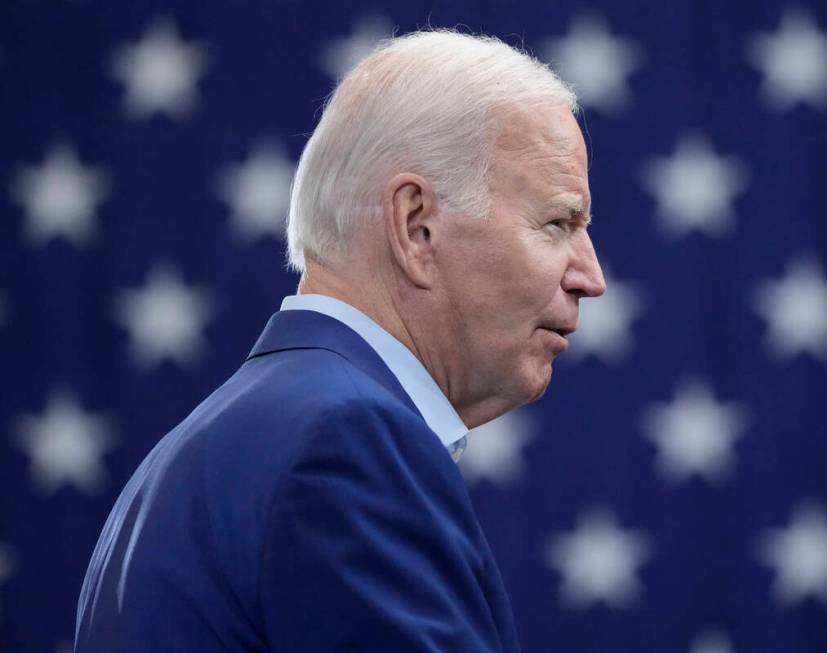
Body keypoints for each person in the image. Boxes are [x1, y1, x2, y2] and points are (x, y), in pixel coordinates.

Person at [75, 29, 605, 652]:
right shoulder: (346, 442)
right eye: (557, 223)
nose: (590, 277)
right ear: (417, 226)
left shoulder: (209, 448)